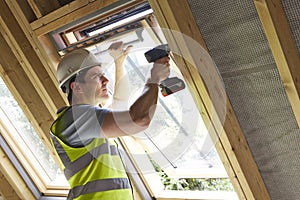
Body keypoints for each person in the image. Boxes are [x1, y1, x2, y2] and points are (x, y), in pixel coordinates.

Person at [50, 41, 170, 200]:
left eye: (103, 74)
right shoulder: (75, 120)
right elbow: (137, 119)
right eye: (96, 76)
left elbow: (120, 104)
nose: (105, 80)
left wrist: (119, 63)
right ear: (77, 87)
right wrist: (154, 77)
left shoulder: (85, 121)